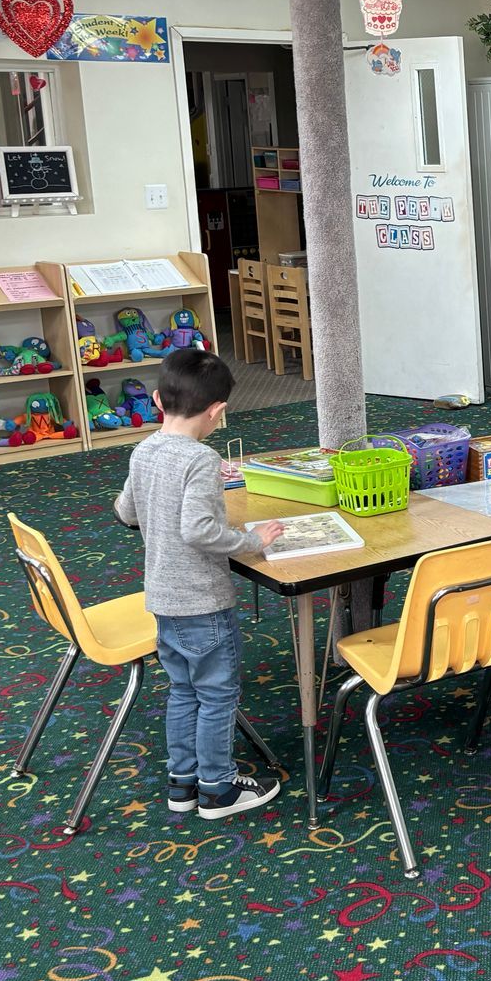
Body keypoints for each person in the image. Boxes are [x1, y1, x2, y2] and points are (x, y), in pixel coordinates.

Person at [115, 349, 286, 820]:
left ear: (155, 400)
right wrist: (251, 540)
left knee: (183, 691)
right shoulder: (201, 459)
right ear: (217, 411)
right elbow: (199, 531)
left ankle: (183, 783)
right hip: (203, 601)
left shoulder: (143, 449)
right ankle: (217, 788)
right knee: (217, 694)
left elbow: (126, 512)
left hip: (163, 598)